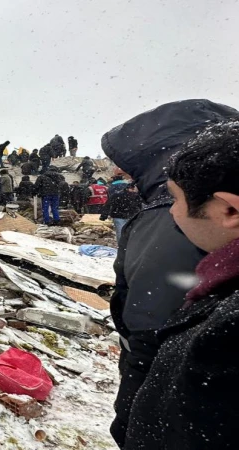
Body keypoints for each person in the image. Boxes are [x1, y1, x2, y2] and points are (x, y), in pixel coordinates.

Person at [101, 99, 239, 448]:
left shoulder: (224, 328)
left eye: (175, 198)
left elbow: (151, 334)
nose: (172, 212)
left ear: (229, 209)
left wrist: (131, 420)